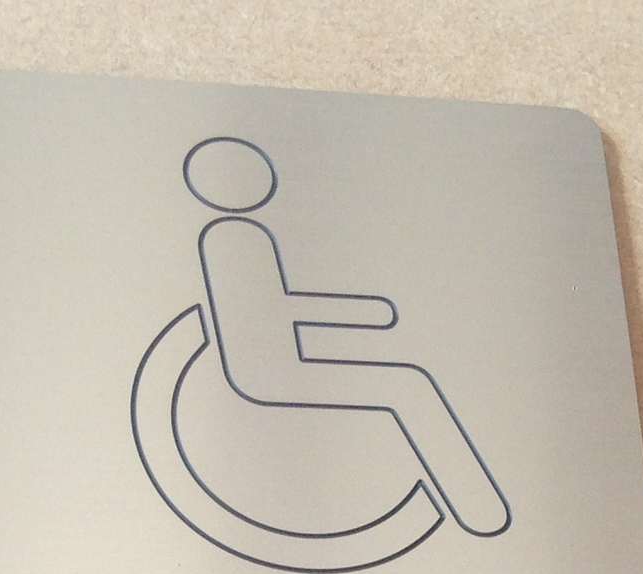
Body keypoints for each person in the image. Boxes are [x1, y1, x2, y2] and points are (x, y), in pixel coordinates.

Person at [184, 137, 509, 538]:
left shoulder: (246, 236)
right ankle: (474, 508)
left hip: (285, 359)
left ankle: (475, 507)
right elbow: (262, 314)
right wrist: (363, 312)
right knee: (405, 385)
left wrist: (362, 314)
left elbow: (274, 310)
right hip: (271, 371)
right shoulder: (231, 239)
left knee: (407, 383)